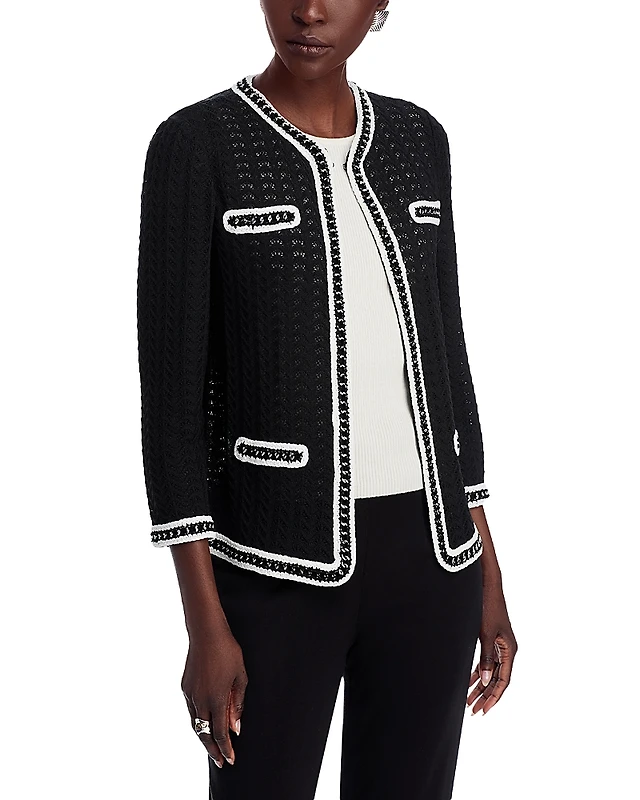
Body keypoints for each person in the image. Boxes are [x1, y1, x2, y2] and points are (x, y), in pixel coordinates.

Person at [136, 1, 518, 798]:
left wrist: (486, 571)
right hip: (272, 566)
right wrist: (203, 623)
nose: (309, 10)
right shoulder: (197, 144)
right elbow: (171, 405)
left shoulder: (419, 140)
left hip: (433, 561)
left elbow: (448, 362)